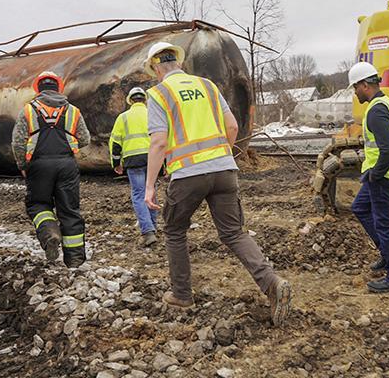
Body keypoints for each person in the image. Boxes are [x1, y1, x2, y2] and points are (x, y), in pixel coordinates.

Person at [142, 41, 292, 326]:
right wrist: (224, 155)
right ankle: (272, 284)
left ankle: (182, 295)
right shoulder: (208, 87)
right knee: (234, 233)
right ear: (179, 63)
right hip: (225, 170)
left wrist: (149, 185)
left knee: (174, 231)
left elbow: (158, 141)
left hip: (187, 175)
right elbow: (232, 126)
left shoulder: (159, 94)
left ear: (156, 68)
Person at [11, 71, 91, 268]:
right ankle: (75, 261)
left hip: (39, 166)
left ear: (38, 89)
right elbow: (85, 139)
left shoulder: (28, 110)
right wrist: (68, 146)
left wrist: (22, 165)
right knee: (70, 211)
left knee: (38, 204)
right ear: (59, 88)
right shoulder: (73, 111)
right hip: (67, 165)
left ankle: (49, 233)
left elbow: (18, 143)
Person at [348, 62, 389, 293]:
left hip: (386, 177)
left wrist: (375, 175)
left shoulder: (376, 110)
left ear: (365, 85)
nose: (355, 92)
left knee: (385, 227)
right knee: (360, 208)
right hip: (387, 174)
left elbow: (388, 150)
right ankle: (386, 253)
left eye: (356, 87)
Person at [109, 87, 158, 247]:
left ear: (130, 100)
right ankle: (153, 226)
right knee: (151, 192)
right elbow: (161, 138)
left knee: (138, 195)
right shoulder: (152, 115)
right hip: (152, 159)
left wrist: (116, 163)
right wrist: (163, 164)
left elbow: (115, 143)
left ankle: (148, 231)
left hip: (133, 161)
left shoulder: (123, 118)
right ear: (144, 100)